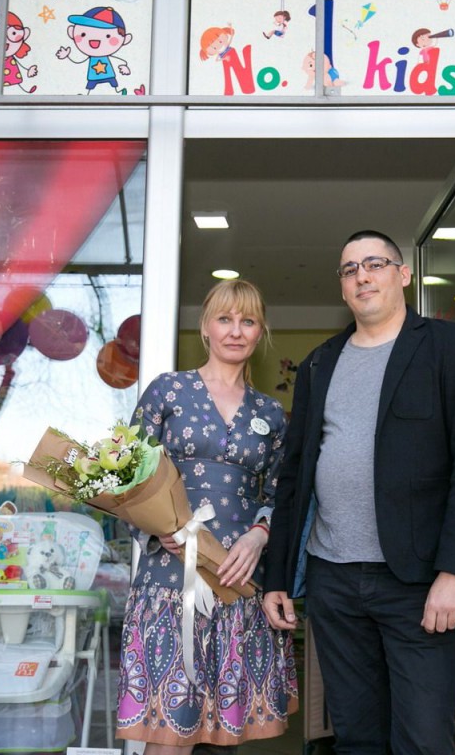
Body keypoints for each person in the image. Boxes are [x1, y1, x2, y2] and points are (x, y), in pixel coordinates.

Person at [263, 230, 455, 754]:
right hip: (333, 579)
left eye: (374, 264)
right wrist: (277, 576)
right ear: (342, 287)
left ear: (403, 274)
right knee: (356, 738)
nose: (362, 276)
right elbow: (294, 476)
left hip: (419, 581)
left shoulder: (451, 346)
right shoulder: (320, 362)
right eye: (350, 270)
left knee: (423, 740)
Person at [117, 279, 298, 753]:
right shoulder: (168, 390)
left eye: (248, 321)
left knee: (223, 734)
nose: (236, 331)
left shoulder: (272, 413)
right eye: (225, 319)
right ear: (205, 327)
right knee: (168, 731)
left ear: (260, 331)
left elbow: (283, 492)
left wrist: (260, 535)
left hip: (237, 578)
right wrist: (158, 528)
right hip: (169, 578)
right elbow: (127, 473)